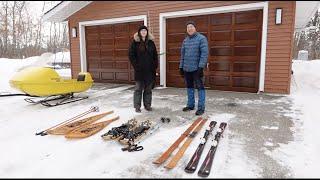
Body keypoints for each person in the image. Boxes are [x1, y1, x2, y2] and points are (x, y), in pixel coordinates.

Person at [179, 21, 209, 116]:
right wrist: (181, 67)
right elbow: (182, 55)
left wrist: (201, 67)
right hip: (187, 68)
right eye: (188, 27)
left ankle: (201, 107)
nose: (190, 29)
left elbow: (204, 54)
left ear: (195, 28)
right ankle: (190, 105)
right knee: (189, 87)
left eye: (191, 27)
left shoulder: (201, 39)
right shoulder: (185, 40)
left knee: (200, 88)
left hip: (197, 69)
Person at [128, 25, 158, 113]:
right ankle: (137, 106)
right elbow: (131, 55)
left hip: (149, 70)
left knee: (148, 89)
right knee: (138, 89)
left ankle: (147, 105)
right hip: (139, 71)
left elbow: (155, 55)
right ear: (139, 32)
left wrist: (155, 65)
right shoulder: (135, 42)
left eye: (145, 31)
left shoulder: (151, 43)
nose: (144, 32)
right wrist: (136, 66)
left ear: (147, 32)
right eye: (142, 31)